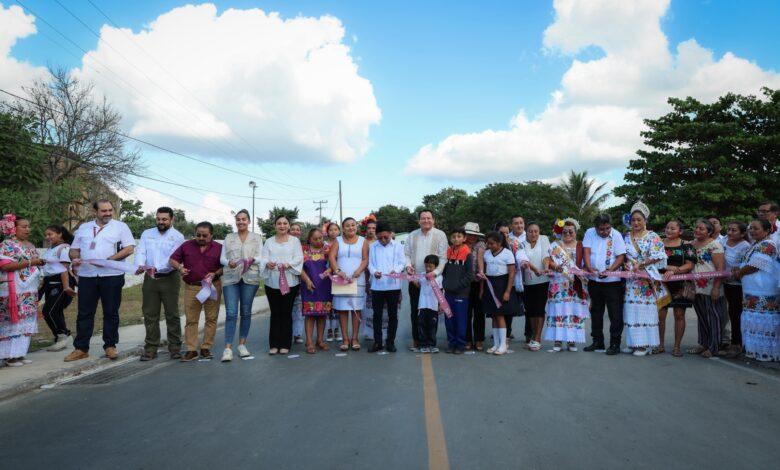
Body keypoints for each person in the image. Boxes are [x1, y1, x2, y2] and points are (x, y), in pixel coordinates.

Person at [66, 199, 135, 362]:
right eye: (104, 211)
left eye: (110, 210)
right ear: (94, 212)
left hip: (112, 275)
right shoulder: (84, 228)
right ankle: (81, 348)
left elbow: (129, 248)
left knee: (111, 312)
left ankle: (110, 346)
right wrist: (75, 258)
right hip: (87, 276)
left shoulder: (121, 227)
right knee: (84, 312)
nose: (108, 213)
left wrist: (109, 260)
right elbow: (74, 250)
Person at [135, 207, 185, 361]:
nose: (161, 222)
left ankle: (175, 348)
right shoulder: (147, 233)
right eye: (158, 219)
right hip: (150, 278)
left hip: (170, 277)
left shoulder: (178, 237)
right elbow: (141, 251)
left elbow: (174, 258)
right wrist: (140, 265)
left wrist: (158, 268)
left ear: (172, 219)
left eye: (164, 219)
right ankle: (150, 348)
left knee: (172, 314)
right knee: (150, 314)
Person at [169, 222, 223, 362]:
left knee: (211, 318)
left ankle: (206, 348)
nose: (201, 238)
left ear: (211, 235)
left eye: (204, 235)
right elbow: (172, 260)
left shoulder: (219, 248)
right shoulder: (186, 246)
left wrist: (215, 273)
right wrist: (180, 268)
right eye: (198, 235)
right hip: (192, 287)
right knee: (191, 319)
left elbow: (225, 267)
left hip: (212, 286)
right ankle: (191, 350)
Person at [623, 201, 668, 357]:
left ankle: (645, 345)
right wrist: (626, 265)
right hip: (631, 280)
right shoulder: (626, 236)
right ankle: (633, 343)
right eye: (633, 220)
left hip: (647, 280)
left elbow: (658, 256)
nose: (636, 223)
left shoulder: (653, 236)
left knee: (645, 311)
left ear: (645, 220)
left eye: (639, 220)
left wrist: (642, 264)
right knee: (631, 310)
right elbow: (622, 255)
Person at [219, 210, 263, 362]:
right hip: (231, 278)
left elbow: (261, 257)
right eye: (238, 219)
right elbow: (222, 258)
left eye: (244, 219)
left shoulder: (257, 238)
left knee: (246, 312)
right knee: (231, 313)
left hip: (250, 278)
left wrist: (252, 259)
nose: (241, 222)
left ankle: (242, 345)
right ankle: (227, 348)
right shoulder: (228, 237)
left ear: (249, 221)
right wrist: (228, 262)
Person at [733, 219, 779, 362]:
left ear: (767, 230)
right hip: (752, 289)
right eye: (750, 228)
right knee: (753, 320)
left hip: (763, 290)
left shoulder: (768, 245)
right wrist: (738, 269)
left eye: (756, 228)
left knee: (764, 322)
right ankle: (755, 351)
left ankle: (766, 352)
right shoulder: (756, 244)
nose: (752, 231)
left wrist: (739, 272)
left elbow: (755, 265)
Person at [0, 215, 43, 366]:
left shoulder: (30, 245)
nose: (28, 229)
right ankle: (9, 356)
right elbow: (5, 266)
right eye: (24, 227)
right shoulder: (7, 244)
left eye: (28, 226)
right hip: (14, 288)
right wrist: (31, 262)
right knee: (13, 321)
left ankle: (19, 354)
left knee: (26, 319)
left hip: (29, 288)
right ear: (13, 228)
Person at [582, 214, 627, 356]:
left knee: (615, 313)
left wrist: (610, 270)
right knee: (596, 311)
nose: (605, 232)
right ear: (595, 227)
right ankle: (597, 341)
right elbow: (586, 251)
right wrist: (589, 267)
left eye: (608, 228)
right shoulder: (589, 232)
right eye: (601, 229)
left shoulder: (617, 235)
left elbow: (621, 257)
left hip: (612, 282)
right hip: (594, 280)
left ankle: (615, 343)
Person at [404, 210, 448, 351]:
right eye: (423, 218)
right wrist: (408, 267)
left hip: (433, 281)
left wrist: (434, 273)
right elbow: (406, 254)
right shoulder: (412, 235)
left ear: (434, 220)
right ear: (419, 221)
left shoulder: (440, 235)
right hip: (416, 279)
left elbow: (443, 258)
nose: (426, 220)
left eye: (429, 218)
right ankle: (417, 340)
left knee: (432, 312)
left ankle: (430, 342)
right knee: (415, 311)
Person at [544, 219, 589, 352]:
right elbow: (548, 260)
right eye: (565, 231)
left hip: (575, 285)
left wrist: (583, 272)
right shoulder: (555, 245)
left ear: (576, 232)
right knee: (558, 311)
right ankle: (558, 341)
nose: (568, 234)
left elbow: (586, 263)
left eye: (571, 231)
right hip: (558, 284)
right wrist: (555, 266)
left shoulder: (581, 246)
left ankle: (571, 341)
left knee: (573, 311)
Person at [261, 215, 304, 355]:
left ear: (289, 226)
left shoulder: (295, 241)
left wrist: (288, 264)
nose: (282, 226)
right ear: (274, 226)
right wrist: (267, 263)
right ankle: (274, 344)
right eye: (279, 223)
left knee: (286, 312)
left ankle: (285, 343)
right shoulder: (268, 241)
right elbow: (263, 258)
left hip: (290, 282)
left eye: (285, 223)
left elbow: (299, 258)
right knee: (275, 313)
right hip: (272, 282)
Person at [687, 219, 726, 358]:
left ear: (709, 232)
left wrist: (716, 288)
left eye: (701, 229)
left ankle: (714, 347)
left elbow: (720, 269)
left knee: (714, 317)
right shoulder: (691, 245)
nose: (697, 230)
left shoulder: (715, 245)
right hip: (696, 287)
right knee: (702, 317)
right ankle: (703, 344)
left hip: (711, 287)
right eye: (696, 227)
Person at [656, 219, 695, 357]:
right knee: (660, 316)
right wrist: (667, 268)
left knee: (679, 315)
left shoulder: (687, 245)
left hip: (680, 285)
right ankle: (660, 345)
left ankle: (677, 347)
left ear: (680, 231)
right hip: (661, 284)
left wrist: (675, 271)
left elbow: (690, 265)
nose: (669, 230)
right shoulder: (658, 244)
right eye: (667, 227)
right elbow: (652, 261)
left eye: (673, 228)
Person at [329, 217, 369, 351]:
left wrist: (359, 271)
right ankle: (345, 339)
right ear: (343, 228)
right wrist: (338, 271)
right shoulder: (338, 240)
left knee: (356, 309)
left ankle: (355, 338)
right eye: (347, 226)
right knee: (342, 309)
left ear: (356, 226)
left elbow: (365, 259)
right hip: (341, 280)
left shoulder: (363, 241)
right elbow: (332, 257)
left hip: (358, 279)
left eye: (353, 225)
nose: (350, 228)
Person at [367, 222, 405, 353]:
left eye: (386, 237)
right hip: (377, 286)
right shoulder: (373, 246)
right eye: (380, 237)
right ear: (376, 236)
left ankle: (390, 342)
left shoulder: (398, 246)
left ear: (390, 234)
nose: (383, 240)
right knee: (377, 315)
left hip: (393, 286)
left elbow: (402, 263)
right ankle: (378, 342)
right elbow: (370, 264)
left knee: (392, 315)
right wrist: (374, 272)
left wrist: (396, 270)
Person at [481, 231, 518, 355]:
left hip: (502, 285)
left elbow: (512, 273)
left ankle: (503, 345)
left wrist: (507, 291)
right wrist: (482, 289)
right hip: (489, 284)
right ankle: (496, 344)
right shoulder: (487, 253)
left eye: (492, 243)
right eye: (488, 243)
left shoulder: (507, 253)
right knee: (493, 315)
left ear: (499, 243)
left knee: (500, 315)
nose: (489, 245)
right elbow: (484, 272)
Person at [40, 225, 76, 351]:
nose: (47, 237)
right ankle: (63, 336)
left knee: (49, 311)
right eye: (46, 235)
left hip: (60, 283)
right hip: (49, 283)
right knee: (55, 311)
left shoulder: (64, 248)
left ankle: (62, 336)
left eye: (50, 234)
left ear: (60, 234)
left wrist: (66, 287)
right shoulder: (50, 249)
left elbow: (64, 269)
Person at [300, 228, 332, 354]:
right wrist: (307, 280)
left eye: (320, 238)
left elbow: (334, 263)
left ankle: (320, 340)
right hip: (309, 286)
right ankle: (309, 342)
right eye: (315, 239)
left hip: (325, 286)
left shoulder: (327, 249)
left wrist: (330, 270)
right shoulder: (304, 250)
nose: (319, 241)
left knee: (322, 314)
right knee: (310, 315)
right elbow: (300, 268)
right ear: (309, 239)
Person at [442, 227, 474, 354]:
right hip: (448, 293)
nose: (456, 239)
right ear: (450, 238)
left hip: (461, 293)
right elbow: (443, 271)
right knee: (449, 319)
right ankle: (451, 343)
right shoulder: (448, 252)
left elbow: (470, 275)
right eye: (454, 236)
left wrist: (457, 286)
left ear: (464, 238)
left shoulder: (468, 253)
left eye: (459, 236)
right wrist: (445, 284)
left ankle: (460, 344)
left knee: (460, 320)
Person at [520, 222, 551, 351]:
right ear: (526, 232)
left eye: (536, 231)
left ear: (539, 232)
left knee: (539, 309)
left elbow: (546, 256)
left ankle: (537, 338)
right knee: (530, 310)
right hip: (527, 282)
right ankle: (533, 335)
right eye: (530, 231)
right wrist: (535, 270)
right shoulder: (521, 244)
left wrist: (546, 267)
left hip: (543, 280)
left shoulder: (544, 239)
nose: (533, 234)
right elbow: (524, 260)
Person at [722, 221, 751, 357]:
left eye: (734, 230)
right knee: (723, 313)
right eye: (728, 229)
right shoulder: (723, 241)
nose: (729, 232)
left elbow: (745, 265)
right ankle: (721, 340)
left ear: (743, 233)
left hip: (737, 285)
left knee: (735, 313)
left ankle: (736, 343)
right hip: (722, 282)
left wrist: (737, 270)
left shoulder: (745, 246)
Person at [464, 222, 486, 351]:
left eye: (474, 235)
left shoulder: (481, 245)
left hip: (478, 283)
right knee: (466, 313)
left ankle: (479, 339)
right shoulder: (460, 245)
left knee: (479, 313)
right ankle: (467, 339)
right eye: (469, 234)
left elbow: (481, 262)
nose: (472, 237)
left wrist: (482, 288)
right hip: (464, 284)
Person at [417, 255, 443, 353]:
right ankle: (423, 345)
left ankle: (432, 345)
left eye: (430, 266)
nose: (428, 268)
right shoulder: (422, 275)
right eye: (426, 266)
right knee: (421, 325)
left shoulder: (439, 277)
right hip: (422, 305)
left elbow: (441, 291)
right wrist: (411, 278)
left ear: (436, 267)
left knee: (432, 326)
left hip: (433, 306)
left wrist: (440, 305)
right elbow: (418, 284)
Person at [508, 215, 527, 342]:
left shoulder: (529, 236)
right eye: (516, 223)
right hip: (511, 276)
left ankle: (529, 334)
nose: (519, 225)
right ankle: (507, 332)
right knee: (509, 306)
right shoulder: (507, 238)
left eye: (521, 223)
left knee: (529, 307)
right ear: (511, 225)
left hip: (527, 275)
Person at [324, 221, 342, 342]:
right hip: (327, 277)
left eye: (335, 229)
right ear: (327, 232)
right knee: (328, 303)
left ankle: (337, 329)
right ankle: (329, 329)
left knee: (338, 304)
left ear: (339, 231)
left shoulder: (342, 243)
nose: (333, 232)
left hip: (339, 276)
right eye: (331, 230)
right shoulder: (324, 245)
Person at [290, 223, 304, 345]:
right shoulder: (286, 245)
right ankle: (287, 333)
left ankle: (297, 333)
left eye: (297, 229)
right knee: (287, 309)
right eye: (293, 229)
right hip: (286, 281)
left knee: (298, 310)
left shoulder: (304, 248)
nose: (295, 231)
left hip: (301, 283)